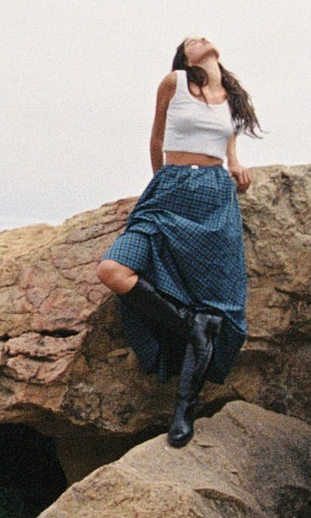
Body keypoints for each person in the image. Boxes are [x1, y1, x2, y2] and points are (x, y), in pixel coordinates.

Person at [95, 36, 260, 447]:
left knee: (217, 308)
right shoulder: (174, 83)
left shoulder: (231, 97)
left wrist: (236, 164)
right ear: (186, 58)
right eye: (191, 41)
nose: (200, 38)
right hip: (169, 192)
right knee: (112, 269)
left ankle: (184, 410)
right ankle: (191, 326)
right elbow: (156, 139)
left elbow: (228, 140)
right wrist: (161, 184)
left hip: (215, 199)